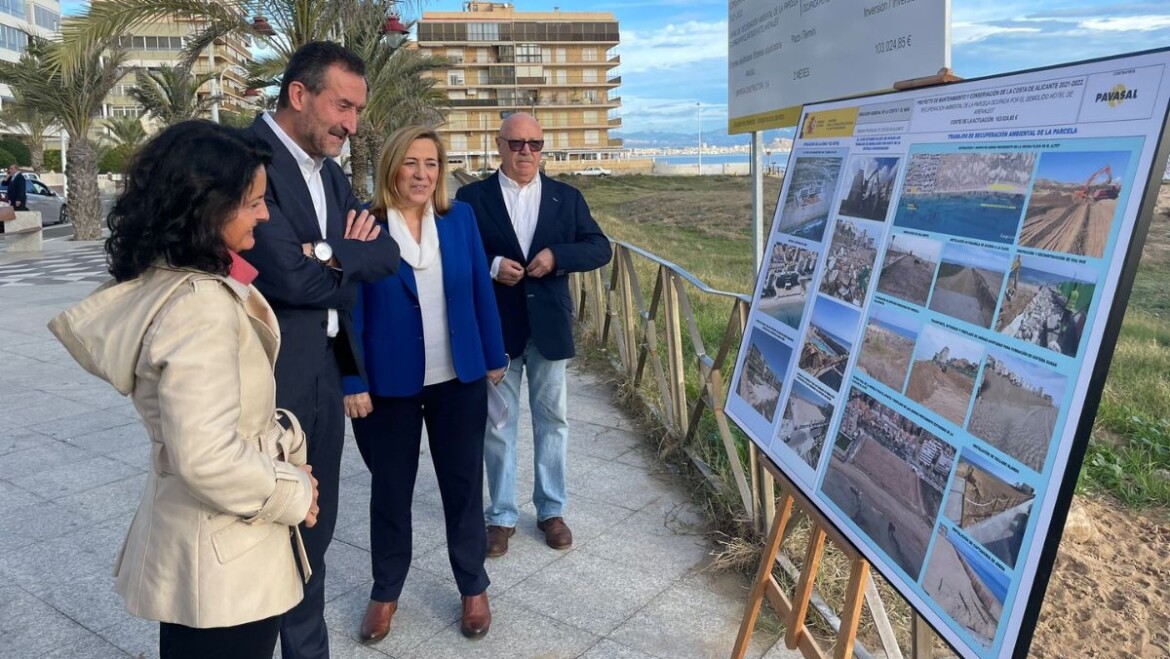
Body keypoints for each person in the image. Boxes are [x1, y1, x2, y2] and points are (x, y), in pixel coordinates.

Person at [47, 120, 320, 659]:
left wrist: (282, 457)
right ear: (207, 206)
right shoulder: (199, 305)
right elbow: (207, 457)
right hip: (224, 563)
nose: (265, 215)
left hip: (208, 547)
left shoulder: (169, 279)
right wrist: (294, 491)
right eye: (254, 202)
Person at [244, 42, 400, 659]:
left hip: (325, 381)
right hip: (267, 383)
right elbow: (287, 278)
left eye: (358, 111)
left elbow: (384, 254)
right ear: (299, 95)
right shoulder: (245, 161)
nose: (351, 125)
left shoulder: (329, 171)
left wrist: (326, 250)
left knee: (315, 529)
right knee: (262, 534)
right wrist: (336, 254)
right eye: (342, 106)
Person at [343, 126, 507, 642]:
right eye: (411, 163)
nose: (421, 174)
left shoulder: (459, 219)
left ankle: (473, 589)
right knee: (390, 492)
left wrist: (493, 352)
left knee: (463, 488)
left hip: (458, 377)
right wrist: (351, 378)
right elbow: (346, 308)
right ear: (392, 166)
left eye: (431, 164)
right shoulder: (366, 225)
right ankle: (385, 592)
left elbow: (481, 286)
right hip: (387, 384)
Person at [456, 112, 611, 557]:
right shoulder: (471, 198)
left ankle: (551, 510)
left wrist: (556, 256)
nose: (526, 152)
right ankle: (501, 516)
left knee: (553, 421)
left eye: (535, 144)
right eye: (517, 143)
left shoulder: (567, 197)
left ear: (543, 148)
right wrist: (491, 266)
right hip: (497, 328)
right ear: (499, 145)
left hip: (549, 329)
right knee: (498, 425)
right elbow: (456, 251)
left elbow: (599, 247)